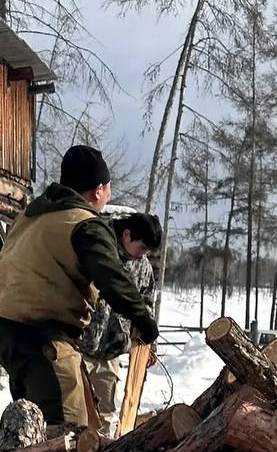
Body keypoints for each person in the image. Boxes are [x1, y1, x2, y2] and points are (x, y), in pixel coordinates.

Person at [0, 146, 159, 434]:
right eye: (108, 187)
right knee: (67, 434)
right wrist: (144, 321)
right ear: (98, 190)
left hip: (9, 334)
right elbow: (113, 279)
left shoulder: (30, 216)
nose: (109, 193)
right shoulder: (84, 224)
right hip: (45, 338)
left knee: (30, 427)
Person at [79, 211, 162, 432]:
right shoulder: (99, 248)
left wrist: (148, 344)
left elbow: (147, 306)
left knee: (104, 416)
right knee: (74, 413)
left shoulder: (142, 267)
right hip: (78, 345)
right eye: (142, 248)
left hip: (111, 350)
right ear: (126, 234)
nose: (143, 254)